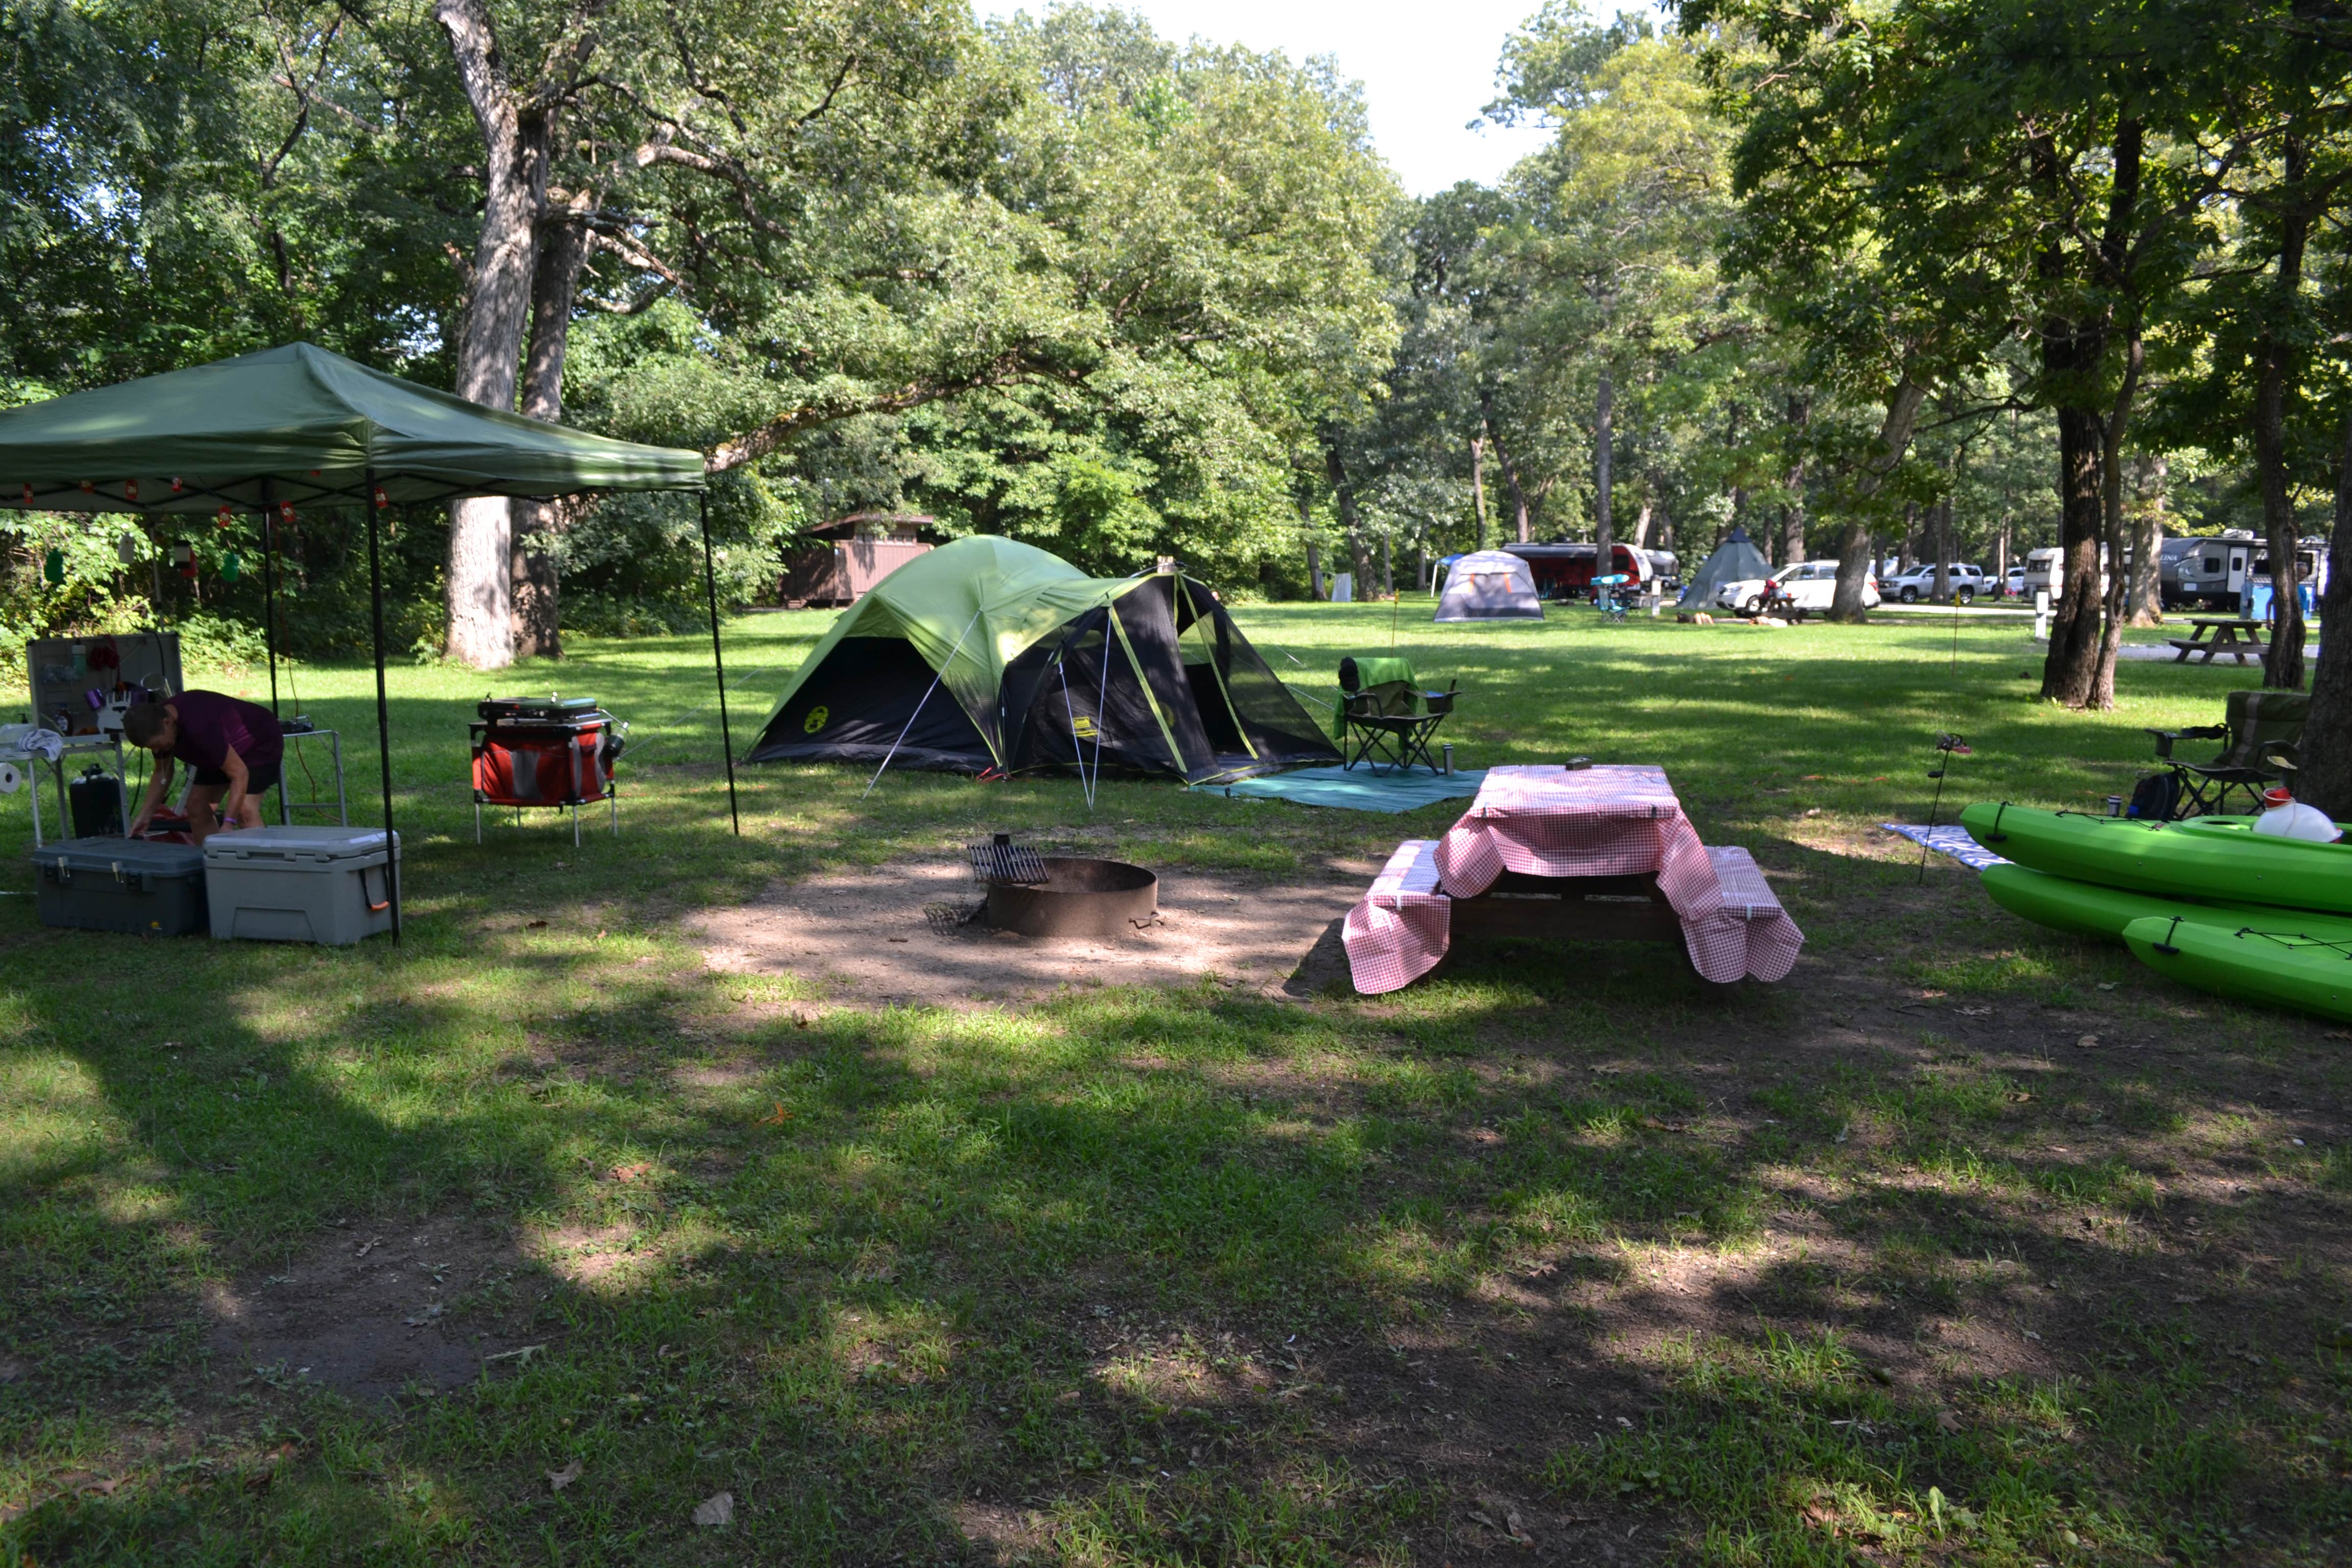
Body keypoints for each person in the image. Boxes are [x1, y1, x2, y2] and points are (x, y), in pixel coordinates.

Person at [121, 692, 283, 842]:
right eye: (151, 748)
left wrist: (228, 823)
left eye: (157, 744)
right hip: (217, 750)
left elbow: (239, 774)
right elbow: (162, 774)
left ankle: (260, 869)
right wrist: (144, 817)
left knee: (245, 811)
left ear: (167, 722)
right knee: (197, 808)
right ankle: (212, 866)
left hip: (257, 743)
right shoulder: (162, 727)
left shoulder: (199, 724)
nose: (157, 751)